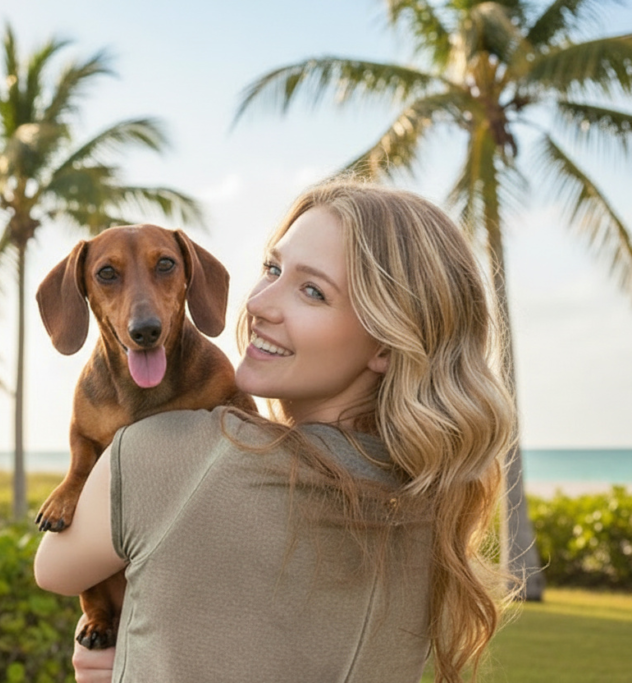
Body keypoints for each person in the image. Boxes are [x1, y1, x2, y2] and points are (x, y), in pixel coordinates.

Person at [34, 177, 518, 683]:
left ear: (385, 345)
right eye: (272, 268)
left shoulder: (162, 456)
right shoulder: (428, 501)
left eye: (313, 291)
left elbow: (53, 569)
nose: (260, 302)